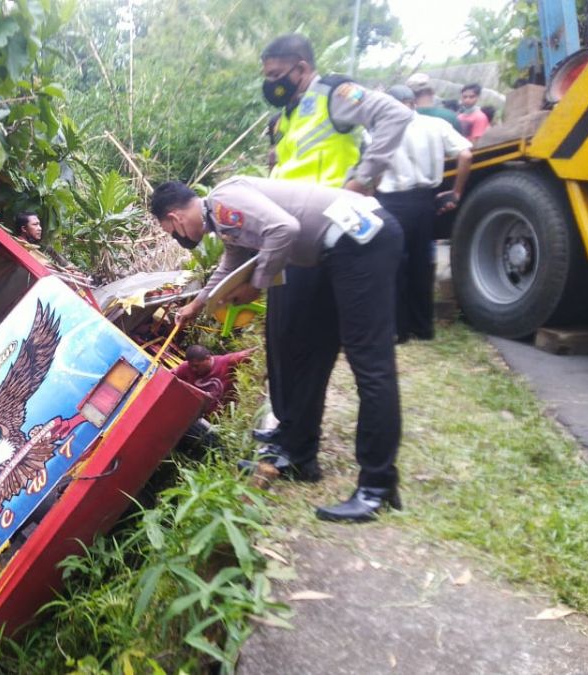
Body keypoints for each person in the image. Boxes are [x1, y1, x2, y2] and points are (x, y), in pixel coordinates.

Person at [154, 178, 404, 522]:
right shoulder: (223, 219)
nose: (176, 236)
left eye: (169, 229)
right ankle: (300, 456)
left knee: (370, 363)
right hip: (337, 250)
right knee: (311, 352)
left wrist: (257, 287)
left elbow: (284, 229)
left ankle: (378, 486)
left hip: (362, 241)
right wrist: (197, 304)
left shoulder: (225, 200)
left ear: (174, 217)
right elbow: (232, 263)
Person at [245, 33, 411, 472]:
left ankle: (304, 450)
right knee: (284, 340)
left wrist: (362, 178)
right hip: (292, 236)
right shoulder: (287, 115)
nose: (272, 84)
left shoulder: (335, 94)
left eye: (278, 75)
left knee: (309, 347)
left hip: (331, 234)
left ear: (302, 68)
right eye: (267, 77)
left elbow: (394, 115)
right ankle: (290, 432)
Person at [377, 85, 473, 343]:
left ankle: (399, 329)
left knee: (395, 266)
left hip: (392, 203)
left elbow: (372, 170)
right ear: (413, 102)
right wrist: (456, 192)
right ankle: (423, 327)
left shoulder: (381, 129)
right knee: (422, 265)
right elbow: (465, 154)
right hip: (424, 203)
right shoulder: (435, 125)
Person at [174, 344, 255, 416]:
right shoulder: (185, 368)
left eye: (196, 366)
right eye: (191, 366)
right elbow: (167, 377)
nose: (193, 369)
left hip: (225, 417)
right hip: (198, 416)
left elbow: (251, 354)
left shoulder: (226, 362)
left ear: (208, 358)